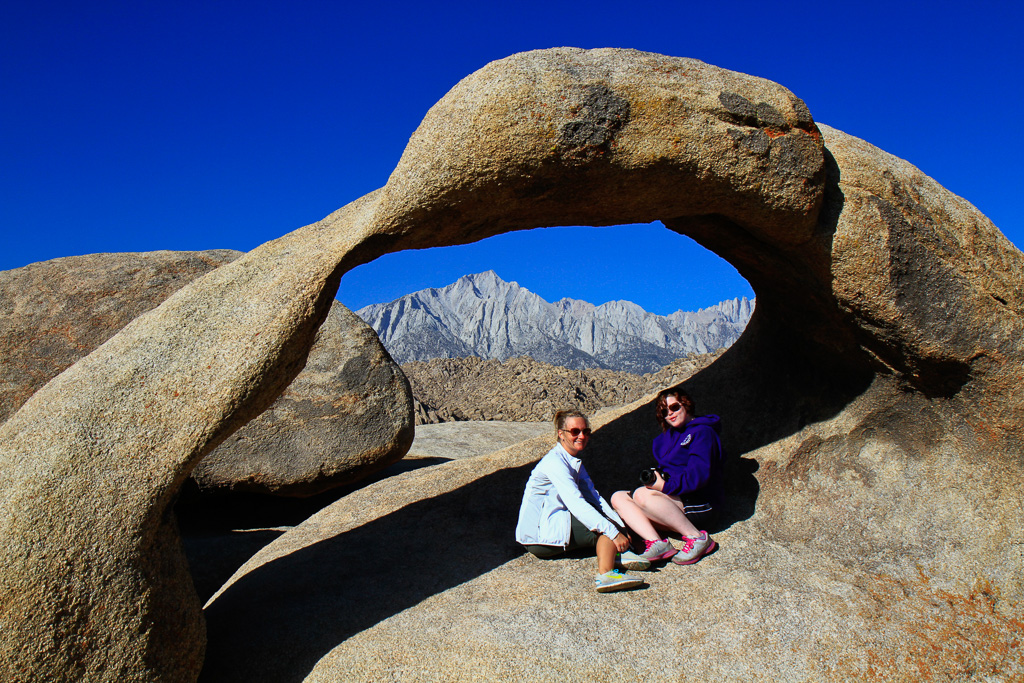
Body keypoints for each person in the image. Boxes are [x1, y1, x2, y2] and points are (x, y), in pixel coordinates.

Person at [516, 409, 649, 593]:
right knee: (604, 532)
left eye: (586, 431)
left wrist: (620, 526)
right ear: (561, 434)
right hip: (541, 536)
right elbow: (576, 503)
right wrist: (614, 532)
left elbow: (594, 496)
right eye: (575, 431)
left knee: (608, 525)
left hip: (555, 522)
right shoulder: (554, 463)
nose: (581, 436)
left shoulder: (573, 461)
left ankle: (618, 553)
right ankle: (607, 574)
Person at [611, 389, 723, 566]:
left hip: (702, 502)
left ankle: (698, 538)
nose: (670, 413)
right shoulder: (666, 439)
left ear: (686, 404)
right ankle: (657, 543)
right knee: (618, 497)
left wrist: (664, 487)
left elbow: (698, 476)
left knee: (641, 495)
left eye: (674, 407)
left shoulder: (702, 433)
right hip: (678, 497)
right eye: (664, 411)